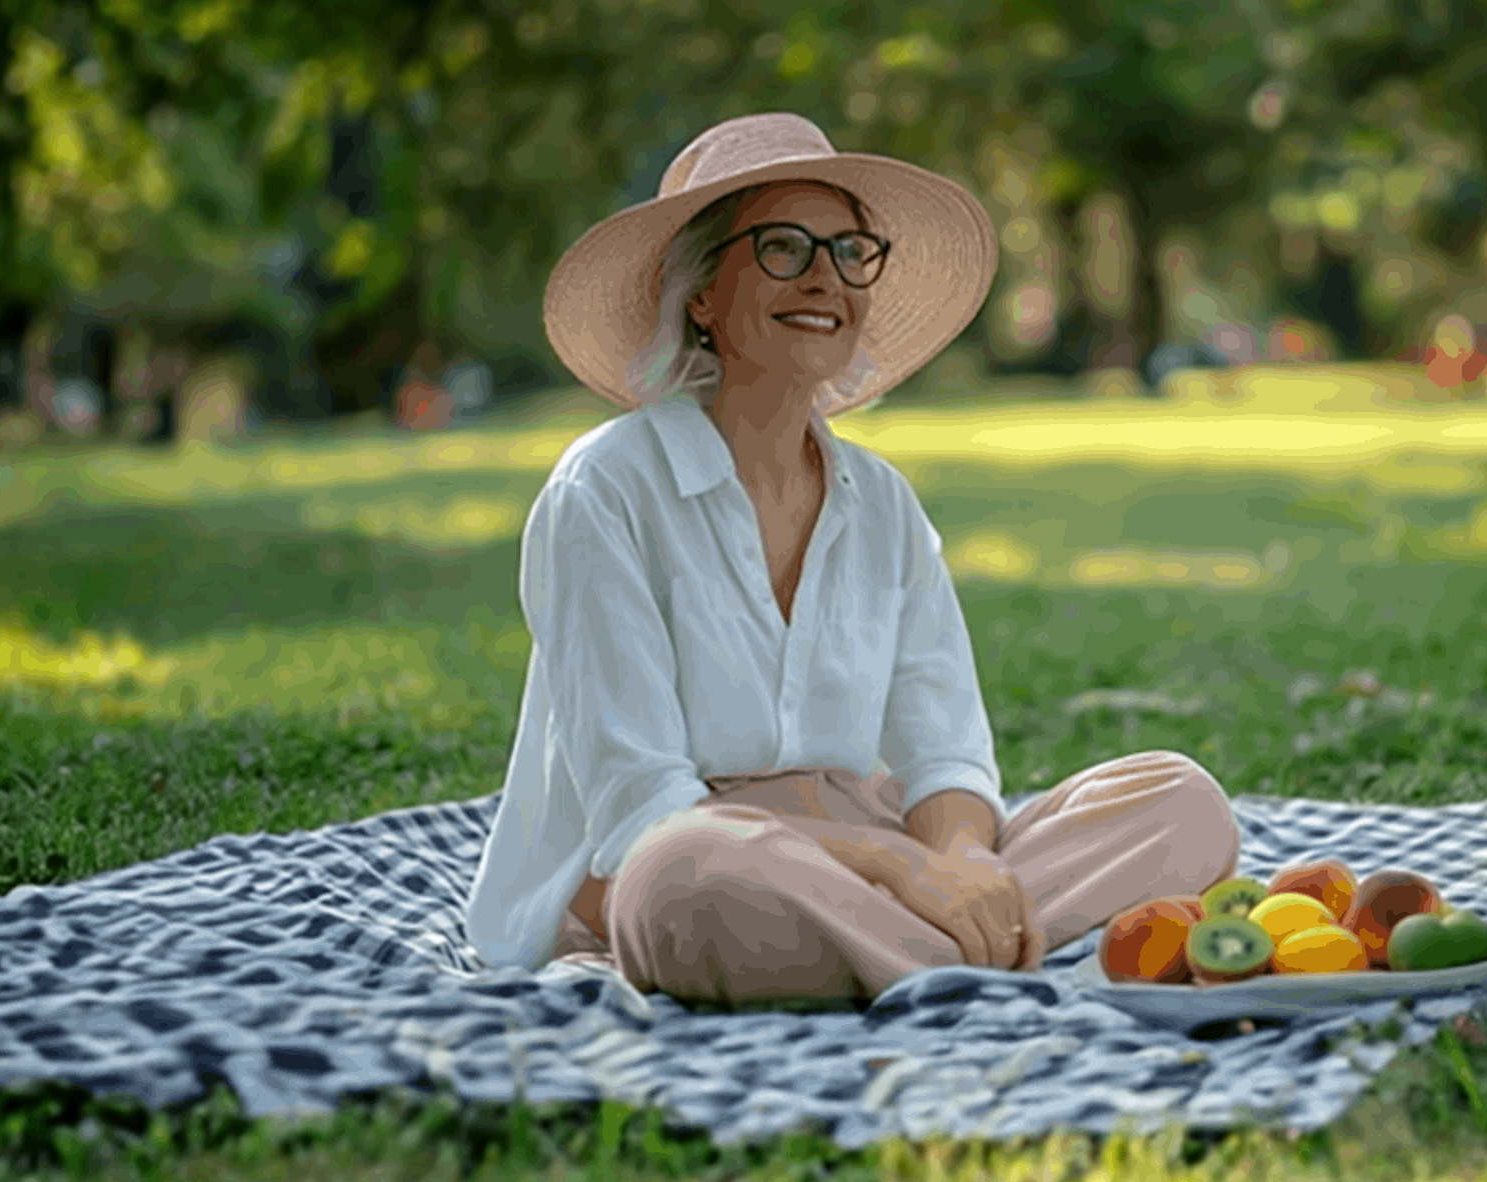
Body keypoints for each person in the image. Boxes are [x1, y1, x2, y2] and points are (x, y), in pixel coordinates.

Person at [463, 113, 1243, 1006]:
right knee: (685, 874)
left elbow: (946, 755)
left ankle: (914, 953)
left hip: (866, 865)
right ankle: (965, 950)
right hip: (691, 875)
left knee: (1182, 801)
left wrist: (952, 858)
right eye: (785, 248)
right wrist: (900, 867)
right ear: (701, 294)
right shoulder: (602, 488)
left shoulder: (882, 503)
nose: (827, 277)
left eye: (848, 250)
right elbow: (645, 811)